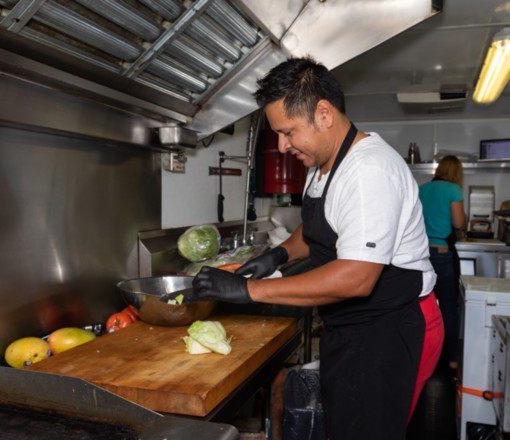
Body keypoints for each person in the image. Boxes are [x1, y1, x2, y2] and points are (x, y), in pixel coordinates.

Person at [193, 56, 444, 439]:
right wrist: (277, 255)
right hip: (355, 324)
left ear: (324, 113)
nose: (281, 145)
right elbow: (316, 230)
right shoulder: (322, 164)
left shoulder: (368, 172)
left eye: (288, 131)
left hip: (391, 328)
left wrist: (249, 290)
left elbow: (358, 277)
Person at [419, 155, 466, 373]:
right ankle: (452, 361)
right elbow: (458, 223)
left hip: (420, 256)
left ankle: (422, 358)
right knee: (448, 308)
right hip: (443, 255)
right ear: (456, 172)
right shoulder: (453, 190)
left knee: (422, 308)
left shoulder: (422, 189)